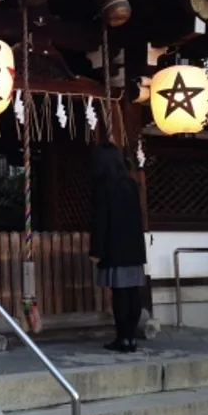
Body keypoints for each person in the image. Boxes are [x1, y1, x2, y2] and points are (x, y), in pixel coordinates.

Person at [89, 141, 147, 353]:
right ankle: (131, 338)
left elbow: (100, 220)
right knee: (133, 293)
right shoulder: (130, 185)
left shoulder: (103, 185)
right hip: (133, 247)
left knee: (119, 294)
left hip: (114, 245)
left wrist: (96, 250)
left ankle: (122, 338)